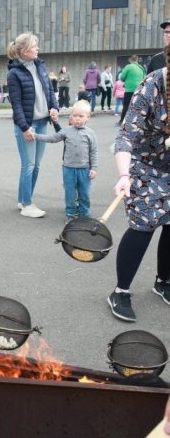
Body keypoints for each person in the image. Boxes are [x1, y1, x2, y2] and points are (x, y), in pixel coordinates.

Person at [107, 49, 170, 322]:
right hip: (146, 165)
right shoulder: (153, 85)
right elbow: (126, 136)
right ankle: (120, 291)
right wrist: (124, 175)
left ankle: (163, 282)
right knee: (143, 225)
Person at [6, 32, 60, 218]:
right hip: (27, 125)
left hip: (43, 122)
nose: (37, 48)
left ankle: (23, 200)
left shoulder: (40, 66)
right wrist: (24, 127)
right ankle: (27, 204)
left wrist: (54, 108)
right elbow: (16, 104)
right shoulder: (14, 73)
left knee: (35, 165)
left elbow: (50, 91)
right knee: (28, 165)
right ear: (24, 50)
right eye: (34, 45)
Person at [31, 100, 98, 222]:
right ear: (71, 116)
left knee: (84, 194)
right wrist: (35, 136)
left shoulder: (90, 133)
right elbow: (52, 138)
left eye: (81, 116)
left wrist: (94, 168)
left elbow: (93, 152)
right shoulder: (66, 131)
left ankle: (84, 215)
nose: (77, 119)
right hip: (69, 168)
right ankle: (71, 215)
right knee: (70, 193)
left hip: (85, 169)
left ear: (88, 117)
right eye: (74, 116)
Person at [118, 54, 145, 126]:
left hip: (129, 90)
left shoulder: (128, 67)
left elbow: (122, 77)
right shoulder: (141, 67)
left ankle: (122, 121)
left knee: (126, 106)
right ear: (137, 60)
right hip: (139, 90)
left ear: (130, 60)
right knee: (138, 106)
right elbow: (145, 78)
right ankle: (138, 122)